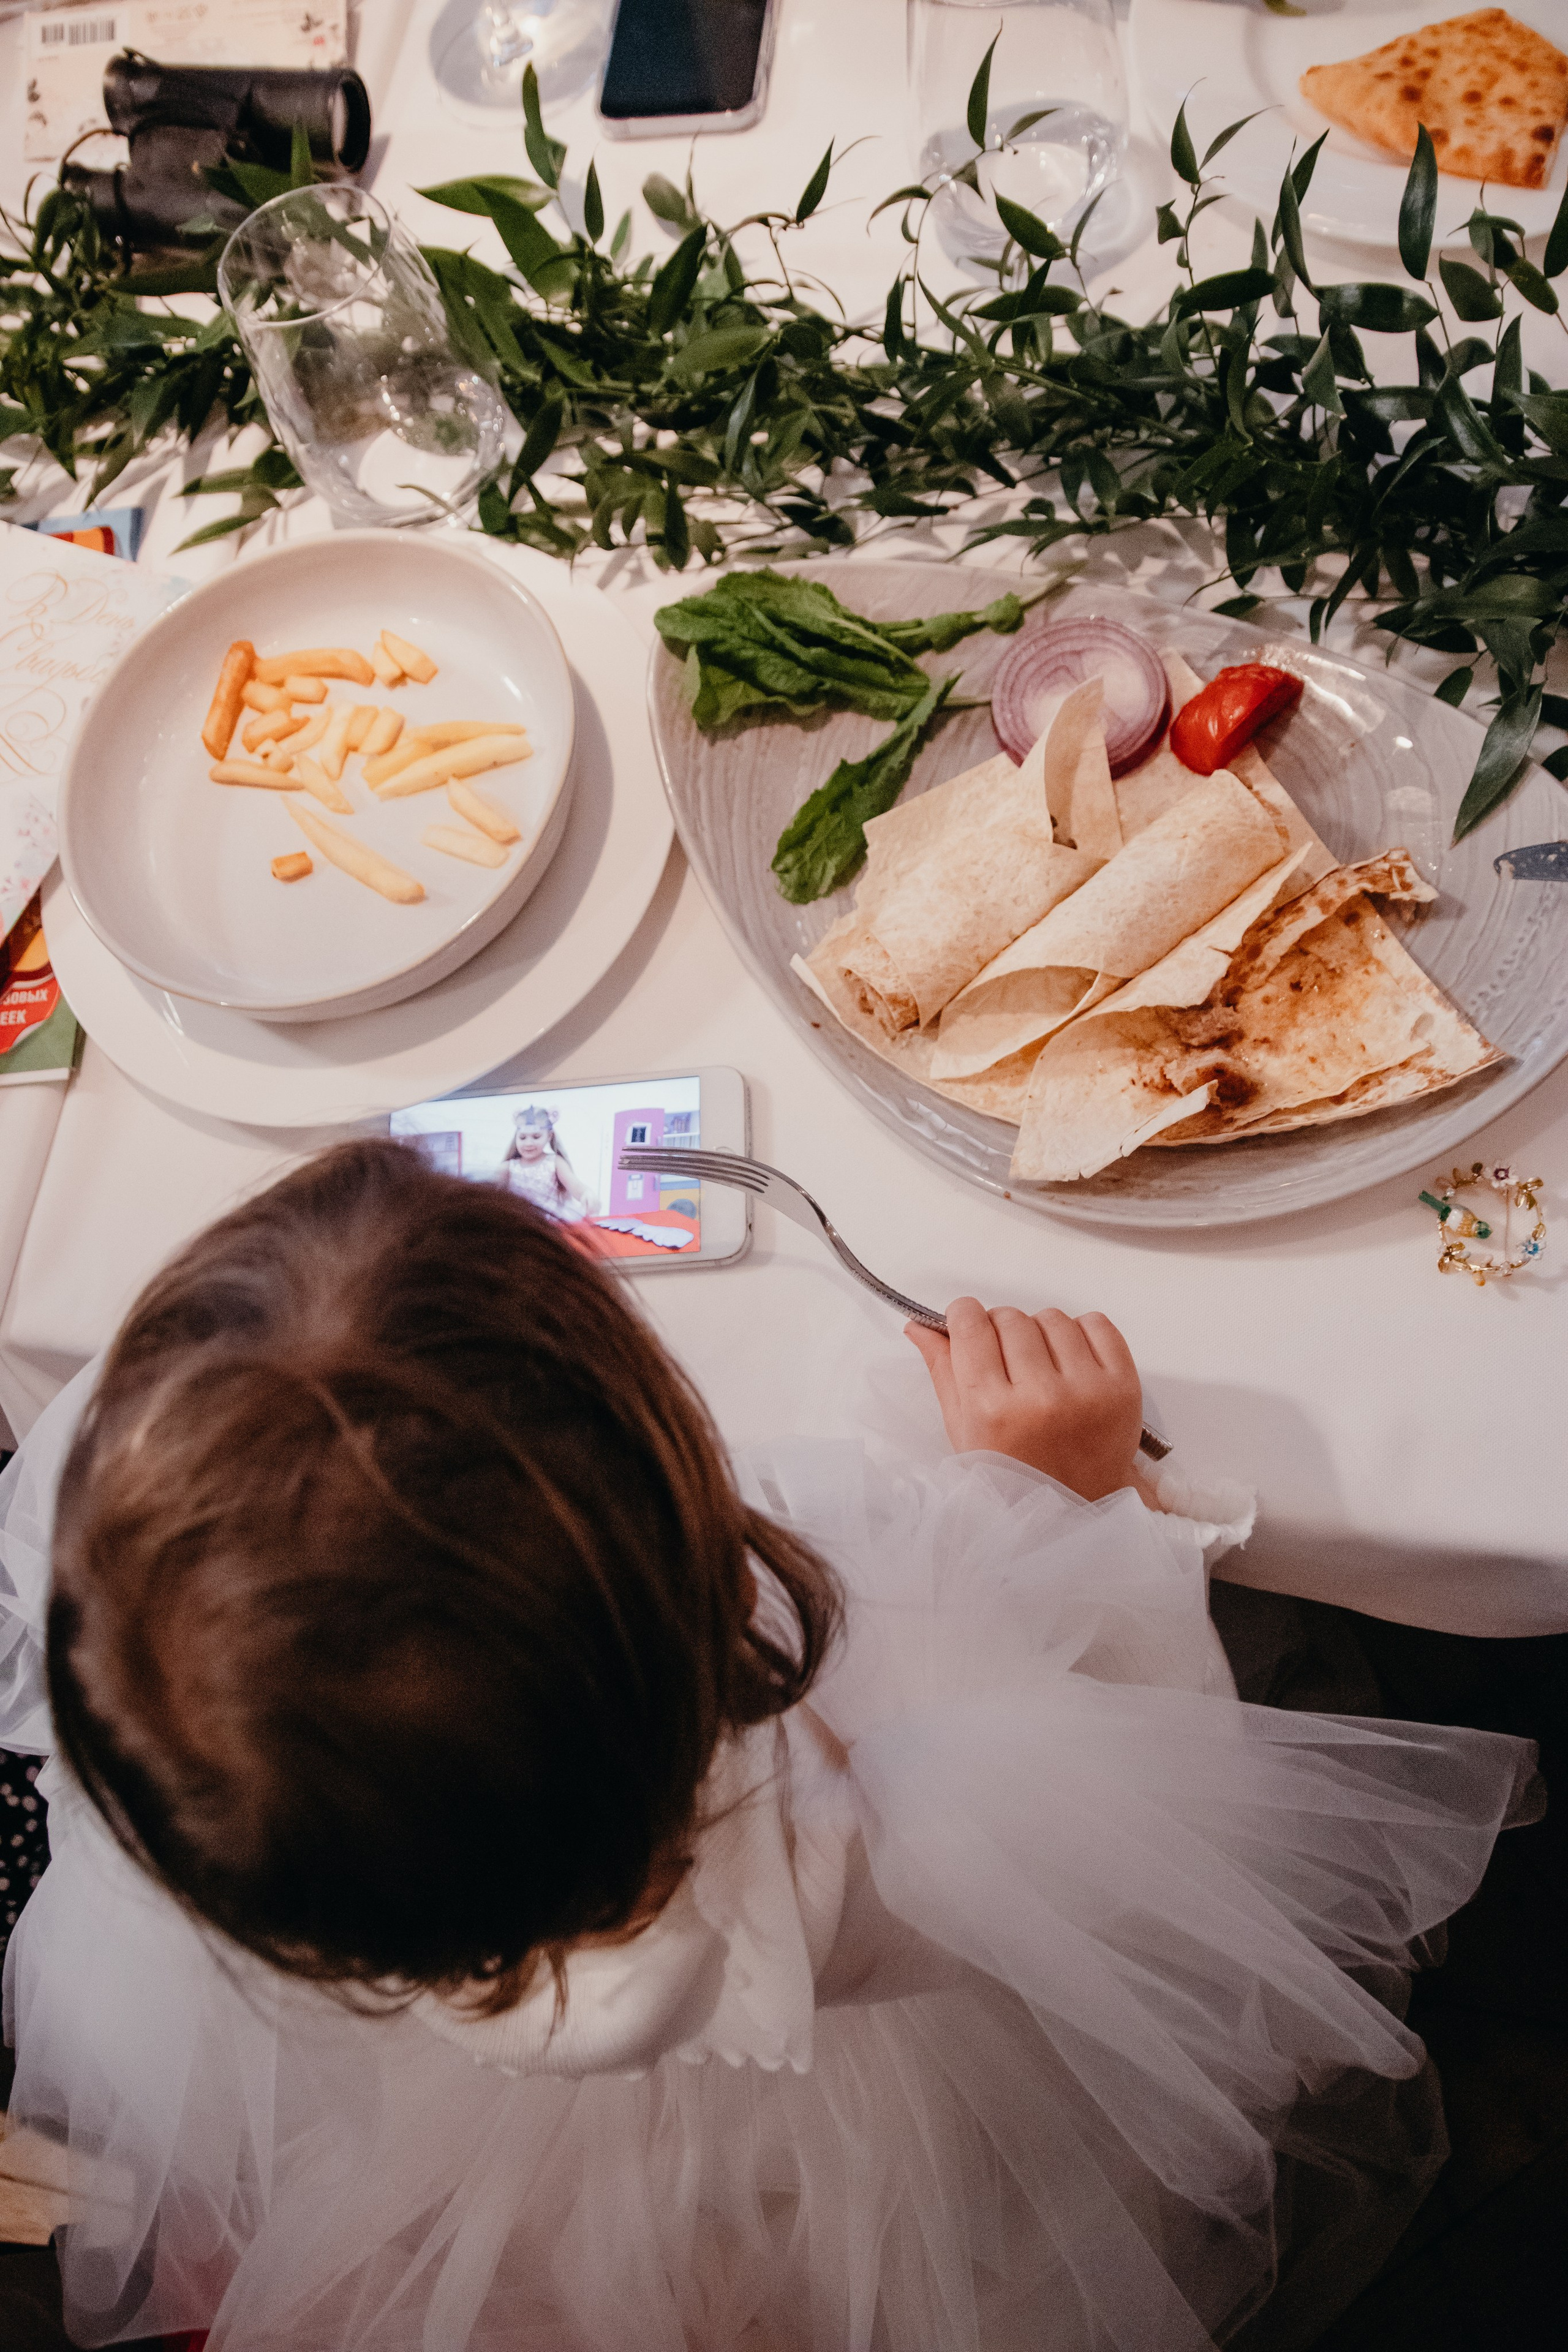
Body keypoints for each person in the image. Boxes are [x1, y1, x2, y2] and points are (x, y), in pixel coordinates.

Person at [0, 1141, 1536, 2352]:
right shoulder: (864, 1842)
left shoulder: (176, 1727)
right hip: (874, 2125)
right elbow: (1154, 1800)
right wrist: (1054, 1502)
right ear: (674, 1501)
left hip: (476, 2149)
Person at [496, 1103, 594, 1221]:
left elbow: (576, 1187)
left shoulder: (555, 1163)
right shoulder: (507, 1168)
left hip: (550, 1225)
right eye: (523, 1138)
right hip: (520, 1225)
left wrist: (587, 1195)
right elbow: (492, 1198)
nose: (529, 1143)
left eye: (536, 1137)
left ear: (549, 1136)